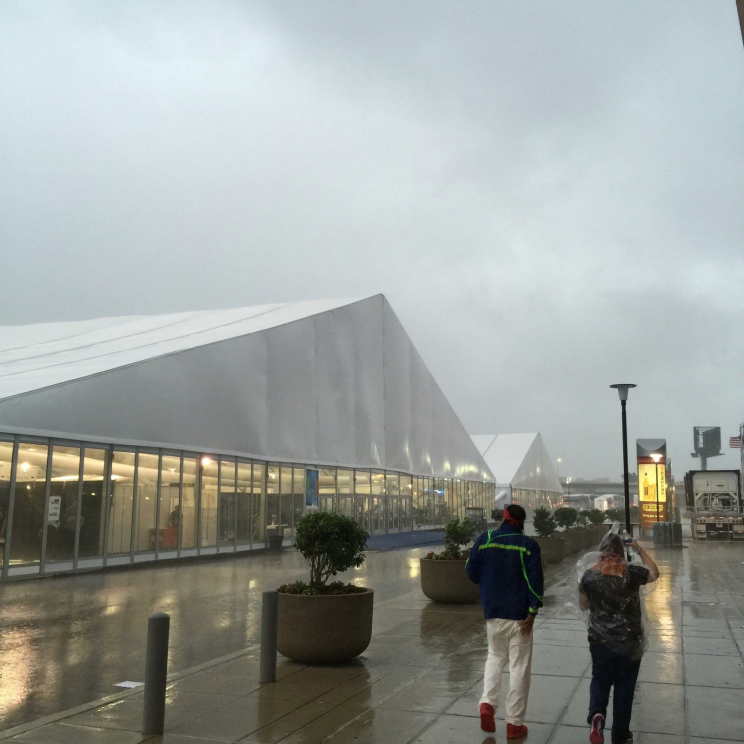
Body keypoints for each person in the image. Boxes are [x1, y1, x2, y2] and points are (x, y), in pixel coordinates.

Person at [465, 504, 543, 738]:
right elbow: (534, 581)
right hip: (520, 615)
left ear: (503, 519)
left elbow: (471, 570)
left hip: (493, 612)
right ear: (522, 523)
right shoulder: (528, 545)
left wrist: (488, 584)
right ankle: (514, 724)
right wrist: (532, 611)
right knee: (519, 666)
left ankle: (487, 703)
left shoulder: (486, 539)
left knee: (495, 657)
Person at [579, 532, 659, 744]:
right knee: (625, 687)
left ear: (601, 550)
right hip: (630, 642)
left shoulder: (589, 575)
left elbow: (583, 605)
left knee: (600, 680)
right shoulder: (632, 572)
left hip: (600, 641)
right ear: (621, 550)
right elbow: (655, 573)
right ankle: (620, 734)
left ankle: (597, 714)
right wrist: (638, 548)